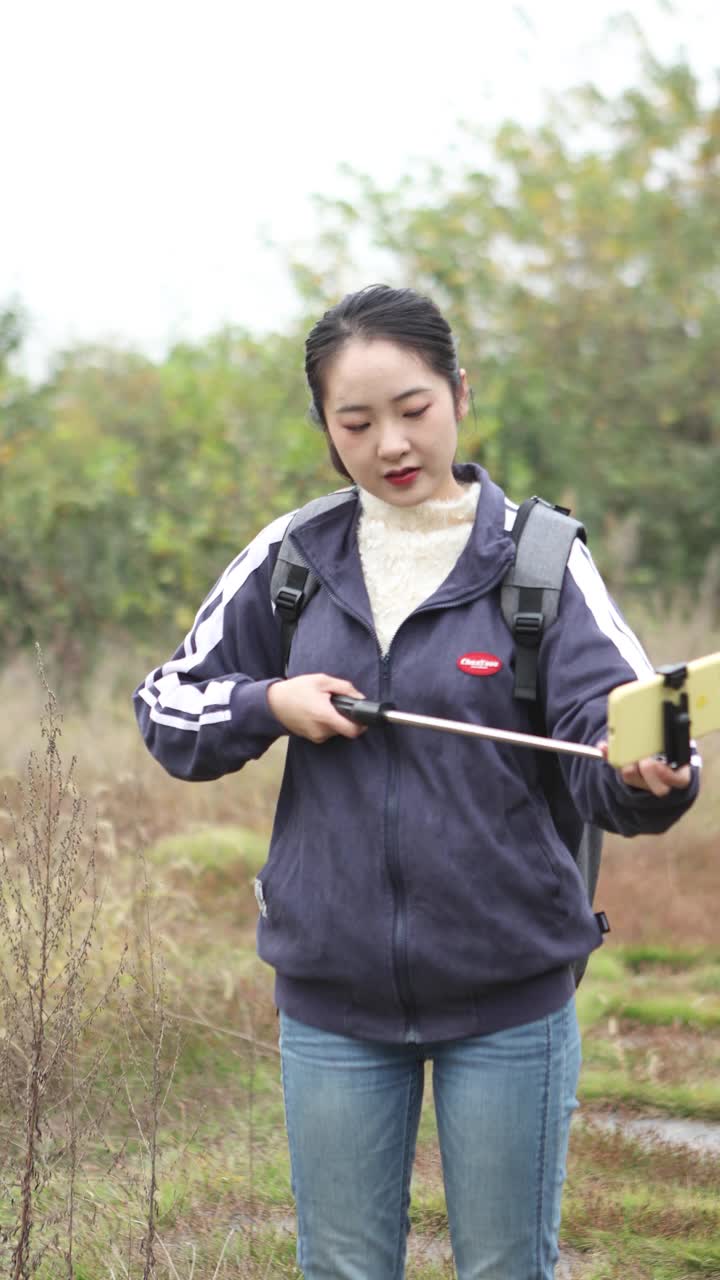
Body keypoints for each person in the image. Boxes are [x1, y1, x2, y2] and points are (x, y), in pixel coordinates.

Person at [134, 285, 699, 1280]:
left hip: (509, 994)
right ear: (326, 428)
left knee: (505, 1267)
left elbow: (609, 735)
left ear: (460, 395)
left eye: (413, 408)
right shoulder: (292, 556)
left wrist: (652, 775)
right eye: (356, 421)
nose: (391, 441)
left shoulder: (542, 562)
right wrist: (269, 701)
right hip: (333, 996)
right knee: (344, 1268)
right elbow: (168, 704)